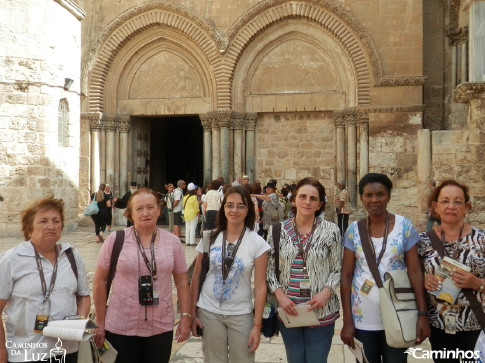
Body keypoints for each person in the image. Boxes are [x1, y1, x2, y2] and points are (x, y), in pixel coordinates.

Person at [93, 188, 191, 363]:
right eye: (139, 208)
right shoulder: (115, 240)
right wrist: (100, 322)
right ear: (130, 213)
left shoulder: (173, 242)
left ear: (159, 210)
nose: (145, 213)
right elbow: (100, 280)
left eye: (150, 207)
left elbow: (182, 281)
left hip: (160, 325)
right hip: (121, 325)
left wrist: (185, 317)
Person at [340, 173, 430, 363]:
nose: (374, 200)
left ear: (388, 196)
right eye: (368, 195)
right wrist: (347, 321)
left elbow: (415, 272)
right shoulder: (353, 231)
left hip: (399, 313)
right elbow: (346, 276)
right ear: (362, 198)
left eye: (380, 194)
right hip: (363, 317)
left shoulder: (404, 227)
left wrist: (422, 314)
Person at [0, 196, 91, 363]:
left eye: (56, 221)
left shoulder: (72, 256)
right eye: (43, 221)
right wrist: (1, 352)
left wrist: (79, 323)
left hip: (66, 350)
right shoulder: (11, 260)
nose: (51, 226)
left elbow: (84, 296)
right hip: (26, 353)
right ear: (28, 228)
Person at [266, 177, 342, 363]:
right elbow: (268, 271)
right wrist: (281, 297)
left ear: (320, 204)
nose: (307, 202)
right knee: (295, 359)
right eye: (303, 196)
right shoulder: (277, 230)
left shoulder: (331, 230)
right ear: (294, 200)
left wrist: (326, 292)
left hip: (321, 310)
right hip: (289, 312)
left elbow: (337, 268)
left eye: (313, 198)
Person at [190, 186, 269, 362]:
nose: (234, 210)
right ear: (223, 207)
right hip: (209, 311)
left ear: (248, 209)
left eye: (240, 206)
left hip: (241, 314)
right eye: (230, 205)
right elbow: (196, 276)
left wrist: (257, 325)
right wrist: (192, 313)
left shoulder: (257, 243)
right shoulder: (208, 238)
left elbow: (261, 286)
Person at [419, 179, 485, 363]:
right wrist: (425, 281)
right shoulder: (423, 241)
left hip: (476, 324)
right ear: (435, 206)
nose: (451, 206)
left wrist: (477, 283)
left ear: (467, 207)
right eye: (445, 201)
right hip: (439, 325)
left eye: (457, 201)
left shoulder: (481, 240)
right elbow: (412, 277)